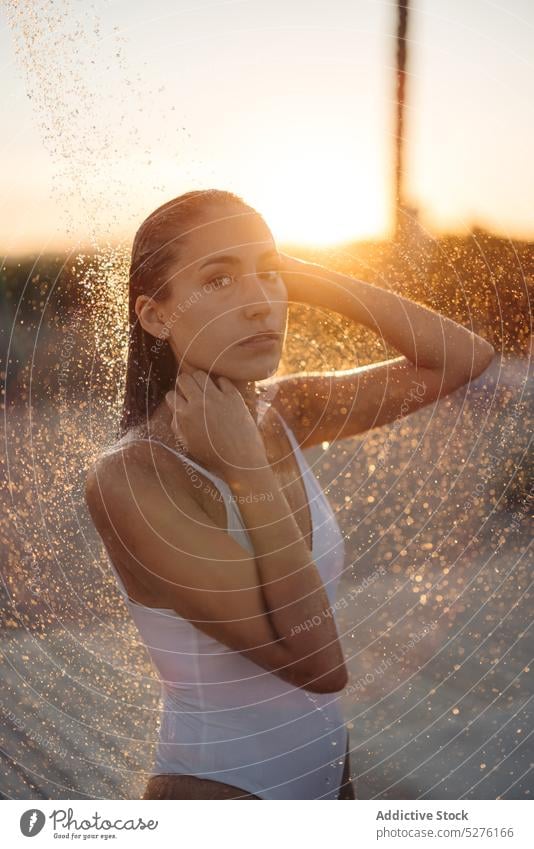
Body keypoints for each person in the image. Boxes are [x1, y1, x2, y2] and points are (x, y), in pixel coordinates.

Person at [84, 189, 495, 799]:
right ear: (155, 315)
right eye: (219, 279)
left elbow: (465, 357)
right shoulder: (132, 479)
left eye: (269, 275)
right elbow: (319, 665)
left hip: (331, 779)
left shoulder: (287, 411)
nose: (259, 303)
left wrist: (304, 275)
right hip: (221, 794)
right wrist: (249, 472)